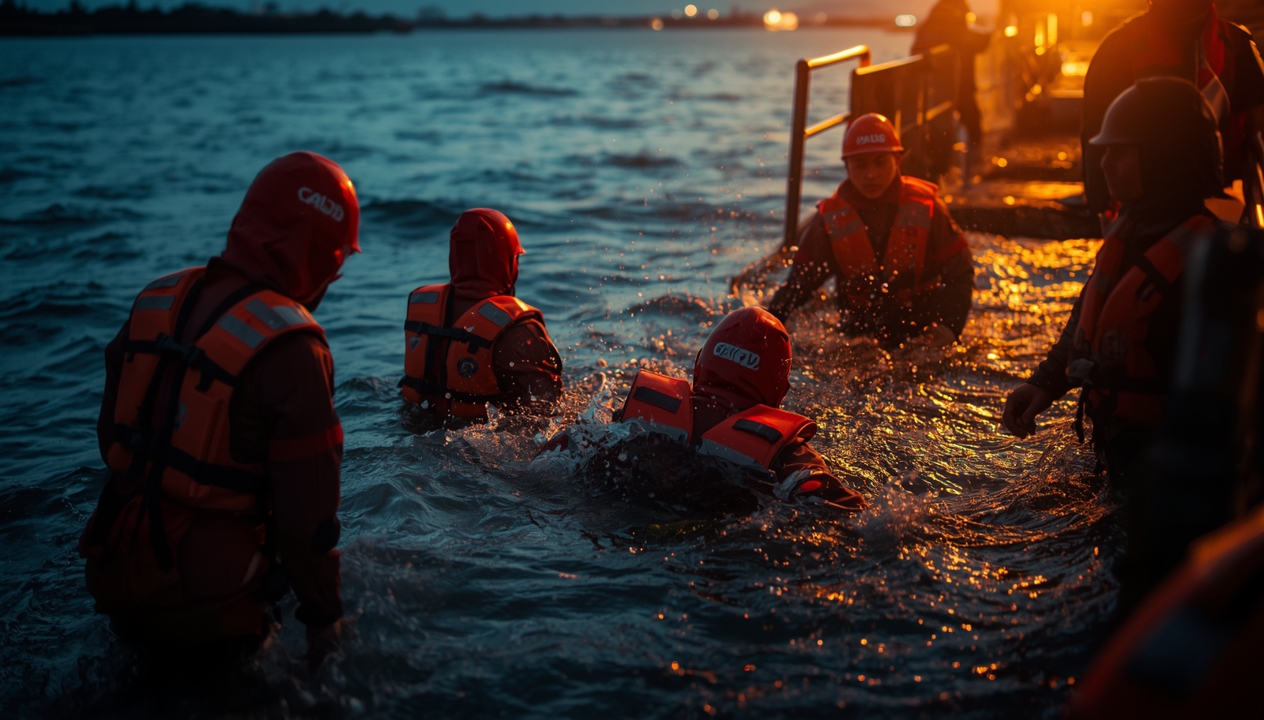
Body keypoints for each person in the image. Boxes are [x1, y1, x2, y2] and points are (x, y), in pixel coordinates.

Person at [77, 152, 357, 665]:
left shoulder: (156, 301)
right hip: (212, 601)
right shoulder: (293, 348)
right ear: (324, 256)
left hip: (110, 573)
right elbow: (307, 525)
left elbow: (111, 441)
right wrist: (324, 621)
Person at [1002, 77, 1228, 491]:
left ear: (1164, 159)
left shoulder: (1215, 263)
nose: (1104, 164)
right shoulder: (1130, 234)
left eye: (1119, 153)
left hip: (1168, 477)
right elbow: (1089, 322)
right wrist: (1044, 383)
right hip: (1117, 455)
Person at [538, 307, 867, 511]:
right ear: (779, 392)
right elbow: (823, 497)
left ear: (698, 366)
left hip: (618, 517)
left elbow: (560, 451)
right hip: (713, 536)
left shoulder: (641, 412)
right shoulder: (784, 449)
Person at [767, 113, 975, 347]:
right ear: (846, 165)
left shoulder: (928, 209)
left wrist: (948, 329)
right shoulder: (828, 221)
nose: (871, 174)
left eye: (880, 162)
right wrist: (764, 330)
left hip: (921, 329)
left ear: (897, 160)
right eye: (860, 164)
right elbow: (796, 288)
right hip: (858, 335)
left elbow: (961, 275)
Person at [1081, 0, 1264, 216]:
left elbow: (1258, 133)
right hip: (1142, 211)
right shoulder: (1117, 49)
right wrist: (1103, 206)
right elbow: (1095, 138)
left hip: (1214, 207)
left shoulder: (1237, 47)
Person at [400, 208, 562, 430]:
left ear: (453, 257)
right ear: (509, 262)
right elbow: (547, 414)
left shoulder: (422, 306)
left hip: (413, 428)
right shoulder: (518, 329)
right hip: (479, 451)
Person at [911, 0, 991, 147]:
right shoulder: (952, 22)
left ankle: (942, 158)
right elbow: (977, 43)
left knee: (934, 124)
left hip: (925, 87)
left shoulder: (927, 24)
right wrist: (991, 33)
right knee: (971, 120)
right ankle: (971, 162)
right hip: (955, 85)